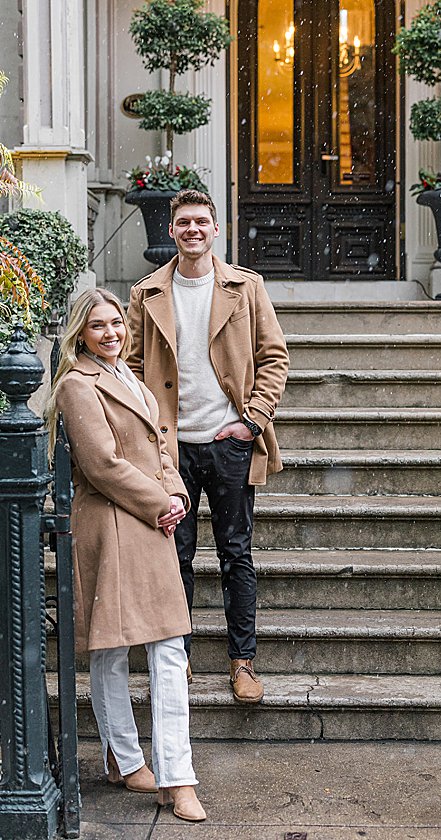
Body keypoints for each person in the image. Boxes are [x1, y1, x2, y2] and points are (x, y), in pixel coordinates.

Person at [125, 188, 289, 704]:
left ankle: (243, 662)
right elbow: (128, 368)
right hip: (170, 452)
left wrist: (251, 421)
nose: (192, 230)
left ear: (216, 230)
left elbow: (274, 358)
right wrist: (146, 435)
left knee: (236, 554)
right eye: (184, 223)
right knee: (175, 556)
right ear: (170, 231)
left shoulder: (247, 286)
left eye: (201, 222)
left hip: (229, 444)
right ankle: (180, 659)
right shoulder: (146, 293)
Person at [48, 288, 206, 821]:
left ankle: (175, 774)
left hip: (152, 523)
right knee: (112, 649)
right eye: (98, 326)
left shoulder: (135, 382)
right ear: (80, 333)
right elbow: (101, 465)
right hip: (111, 524)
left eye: (117, 323)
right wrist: (160, 500)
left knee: (167, 649)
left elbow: (163, 448)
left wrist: (178, 494)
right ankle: (126, 757)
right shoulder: (75, 384)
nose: (111, 333)